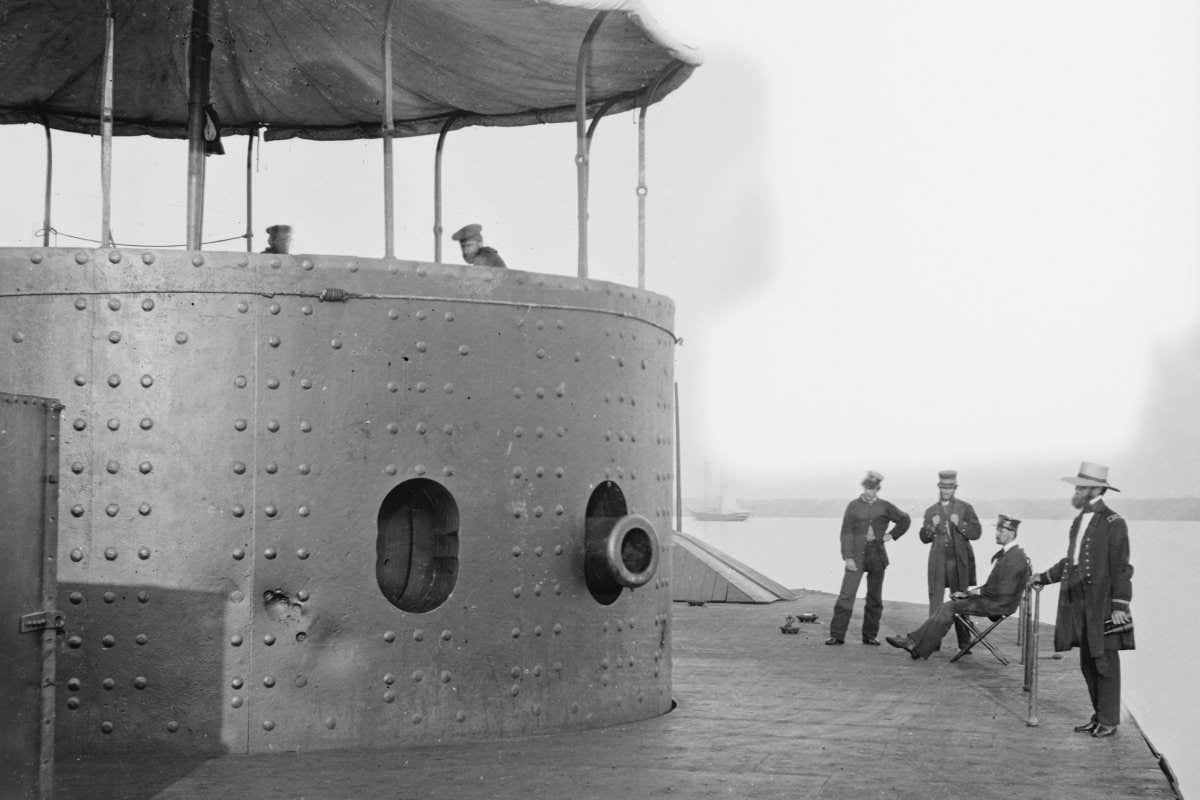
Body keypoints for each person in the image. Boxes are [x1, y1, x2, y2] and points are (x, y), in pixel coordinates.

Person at [1031, 462, 1134, 739]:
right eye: (1076, 487)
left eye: (1081, 487)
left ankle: (1109, 720)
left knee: (1104, 661)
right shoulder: (1079, 521)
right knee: (1087, 662)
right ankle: (1098, 716)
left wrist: (1120, 605)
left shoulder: (1114, 522)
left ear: (1097, 489)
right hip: (1078, 602)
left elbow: (1122, 567)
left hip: (1103, 604)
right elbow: (1072, 562)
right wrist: (1043, 577)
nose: (1076, 491)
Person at [887, 515, 1030, 660]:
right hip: (995, 600)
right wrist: (967, 593)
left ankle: (914, 643)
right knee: (950, 605)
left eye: (1001, 531)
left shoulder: (1015, 557)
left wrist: (970, 594)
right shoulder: (1011, 554)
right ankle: (916, 646)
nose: (997, 534)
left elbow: (1003, 591)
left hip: (999, 605)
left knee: (949, 607)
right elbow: (994, 587)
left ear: (1012, 533)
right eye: (997, 530)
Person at [827, 470, 910, 646]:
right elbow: (846, 532)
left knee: (874, 598)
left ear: (877, 489)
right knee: (846, 595)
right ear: (863, 487)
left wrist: (891, 535)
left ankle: (870, 636)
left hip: (877, 556)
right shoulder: (853, 506)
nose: (869, 492)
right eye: (867, 488)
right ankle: (837, 635)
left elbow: (905, 520)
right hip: (856, 556)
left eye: (872, 489)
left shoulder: (885, 506)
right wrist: (847, 557)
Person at [917, 469, 982, 652]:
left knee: (960, 601)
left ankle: (964, 643)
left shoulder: (965, 508)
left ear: (955, 488)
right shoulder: (931, 511)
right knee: (935, 602)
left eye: (950, 488)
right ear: (939, 488)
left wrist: (960, 524)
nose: (946, 491)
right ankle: (933, 642)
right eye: (943, 488)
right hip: (938, 562)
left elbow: (977, 533)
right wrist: (931, 527)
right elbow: (923, 538)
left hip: (958, 563)